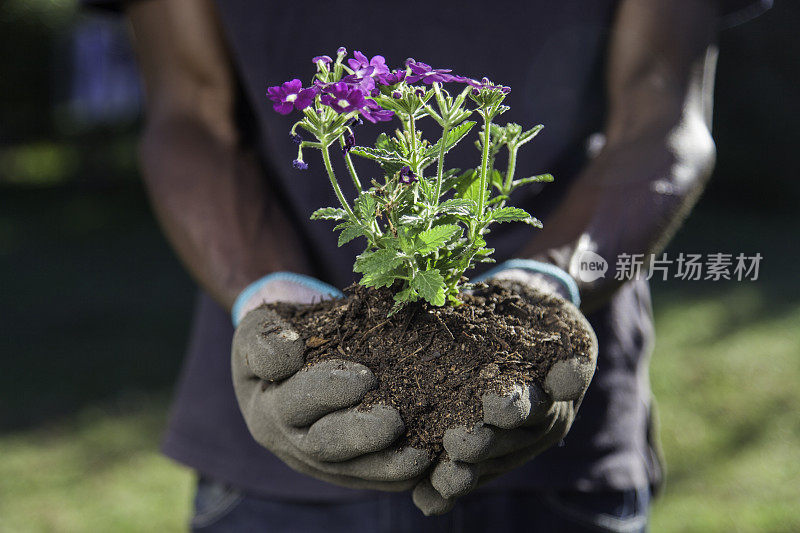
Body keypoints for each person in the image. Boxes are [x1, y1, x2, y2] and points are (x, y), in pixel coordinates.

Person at [87, 0, 770, 530]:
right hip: (272, 456)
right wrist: (266, 296)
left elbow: (661, 108)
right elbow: (189, 113)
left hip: (559, 455)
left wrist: (549, 279)